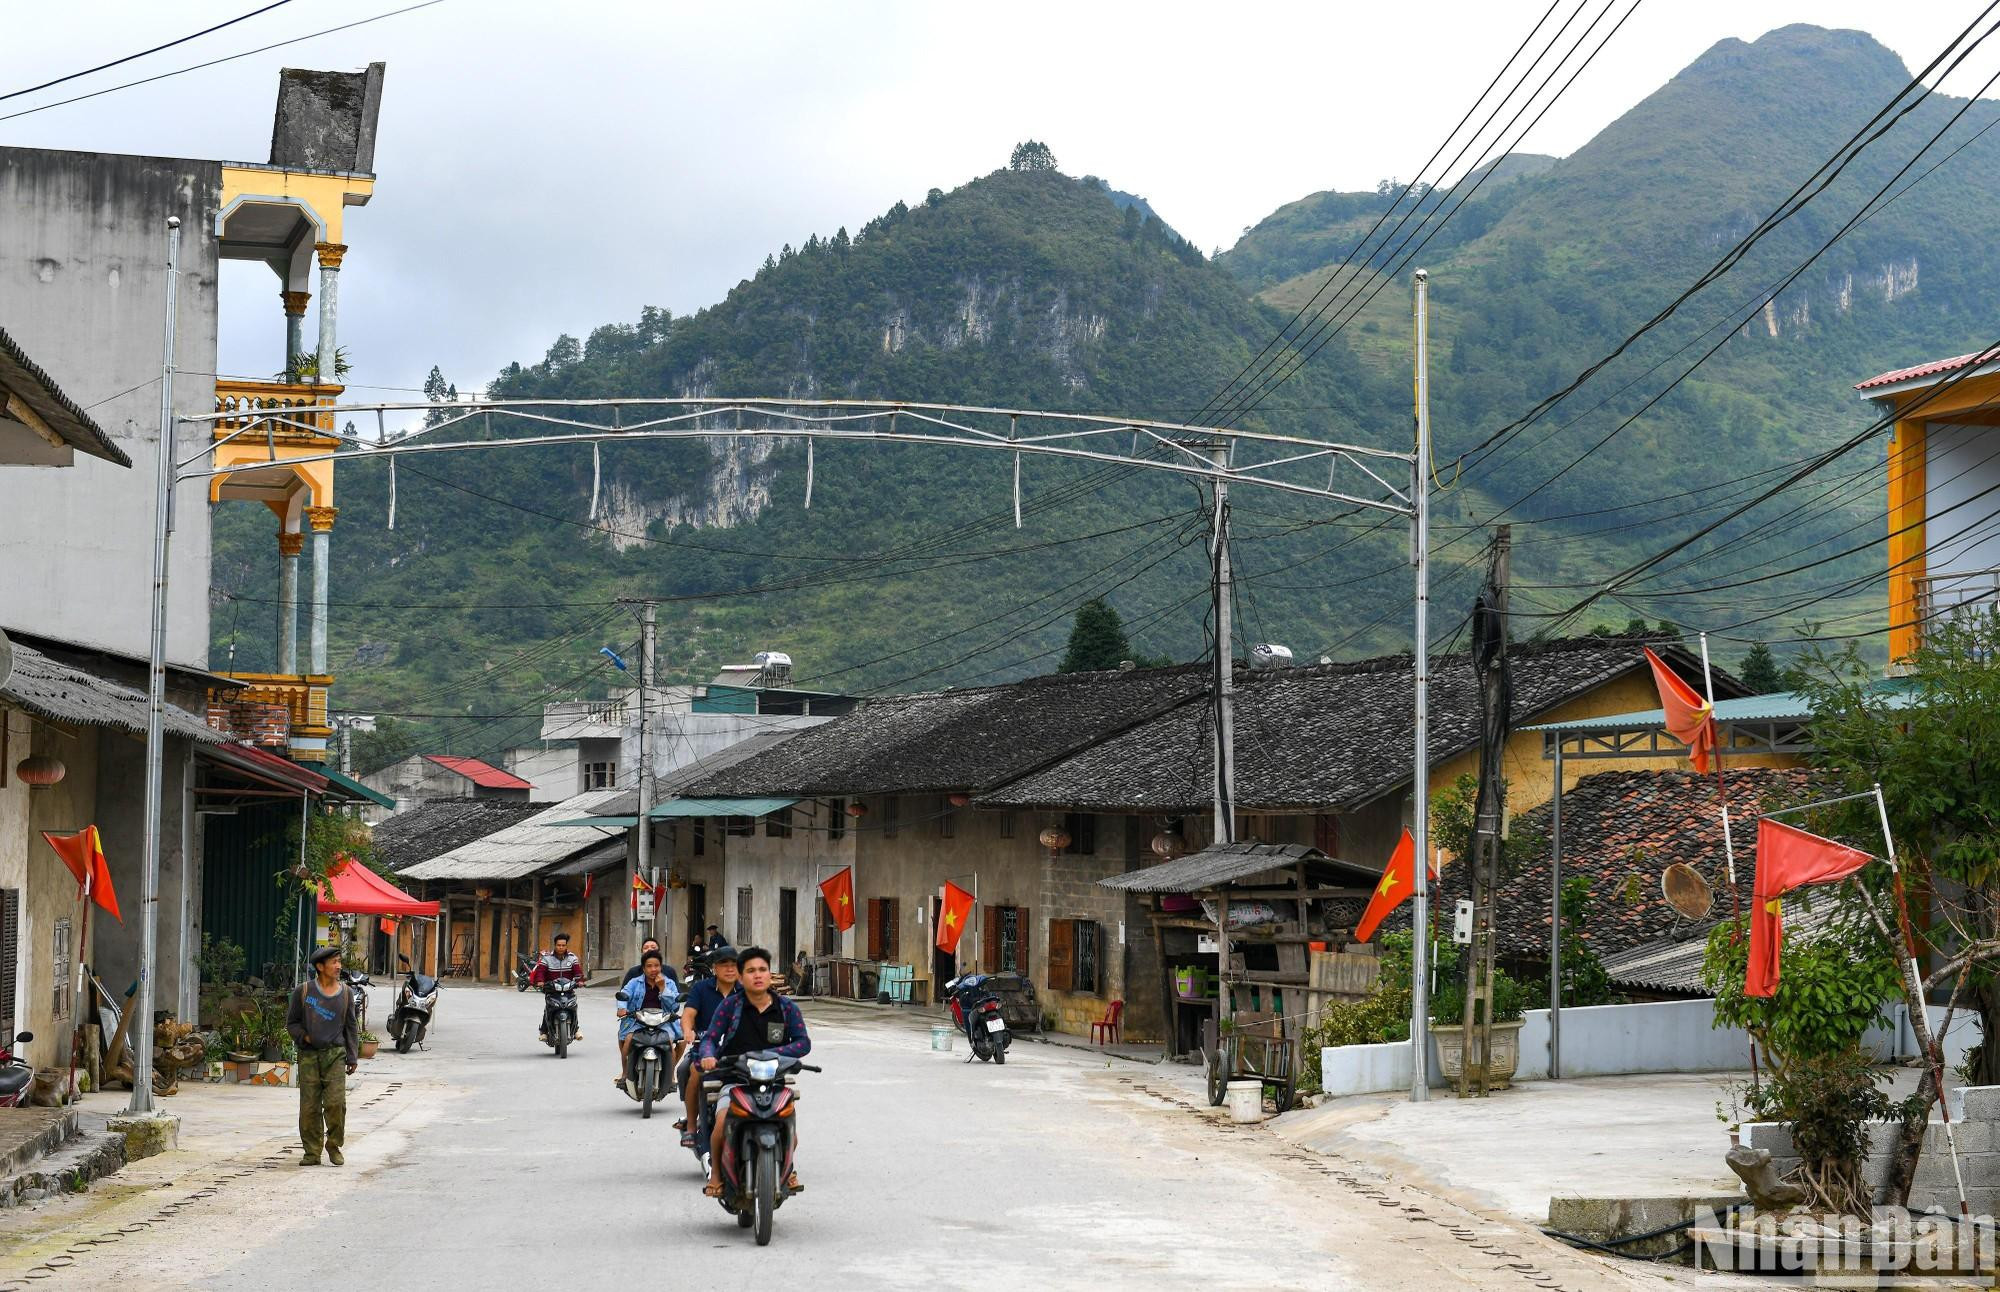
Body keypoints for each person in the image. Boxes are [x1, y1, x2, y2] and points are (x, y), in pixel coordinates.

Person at [698, 946, 810, 1196]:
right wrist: (707, 1056)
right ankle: (715, 1174)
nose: (757, 975)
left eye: (762, 970)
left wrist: (778, 1055)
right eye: (750, 971)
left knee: (789, 1127)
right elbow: (711, 1038)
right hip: (735, 1079)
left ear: (770, 975)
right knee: (721, 1123)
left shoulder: (787, 1008)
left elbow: (803, 1042)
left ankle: (787, 1168)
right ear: (740, 977)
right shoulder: (730, 1007)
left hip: (774, 1080)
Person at [286, 945, 359, 1166]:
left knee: (336, 1103)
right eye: (334, 962)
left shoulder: (346, 993)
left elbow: (351, 1027)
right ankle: (312, 1151)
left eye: (339, 962)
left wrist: (353, 1056)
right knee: (309, 1106)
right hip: (309, 1056)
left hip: (335, 1054)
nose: (338, 966)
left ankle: (334, 1145)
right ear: (320, 966)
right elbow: (292, 1023)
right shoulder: (304, 991)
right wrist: (305, 1038)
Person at [676, 945, 739, 1146]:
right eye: (724, 965)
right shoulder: (701, 989)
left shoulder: (747, 990)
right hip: (706, 1047)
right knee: (691, 1070)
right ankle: (692, 1126)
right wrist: (688, 1031)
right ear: (714, 968)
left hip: (741, 1049)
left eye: (734, 965)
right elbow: (688, 1014)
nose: (729, 969)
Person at [615, 948, 682, 1086]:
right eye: (649, 966)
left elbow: (674, 1006)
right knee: (627, 1039)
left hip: (663, 1020)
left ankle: (670, 1075)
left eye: (656, 965)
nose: (653, 969)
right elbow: (624, 994)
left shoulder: (669, 983)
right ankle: (625, 1072)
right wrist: (622, 1008)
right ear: (643, 968)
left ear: (661, 967)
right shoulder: (635, 982)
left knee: (671, 1042)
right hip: (638, 1019)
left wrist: (663, 988)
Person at [528, 931, 586, 1043]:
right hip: (551, 989)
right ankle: (544, 1031)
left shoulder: (572, 958)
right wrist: (540, 981)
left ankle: (576, 1029)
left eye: (563, 945)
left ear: (566, 946)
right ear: (555, 945)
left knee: (572, 1006)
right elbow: (541, 971)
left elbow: (577, 972)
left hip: (568, 989)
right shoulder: (547, 958)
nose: (561, 947)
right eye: (559, 945)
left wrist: (580, 981)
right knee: (549, 1008)